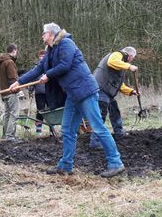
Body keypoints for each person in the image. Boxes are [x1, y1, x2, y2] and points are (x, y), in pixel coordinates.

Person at [9, 23, 126, 178]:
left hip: (85, 91)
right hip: (72, 94)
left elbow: (65, 65)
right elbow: (38, 70)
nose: (42, 36)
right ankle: (66, 165)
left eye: (44, 33)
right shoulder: (50, 51)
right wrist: (19, 82)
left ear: (51, 34)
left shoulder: (66, 43)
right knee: (67, 130)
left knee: (97, 127)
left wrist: (48, 75)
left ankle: (116, 163)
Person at [89, 46, 139, 149]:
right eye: (132, 58)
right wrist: (129, 66)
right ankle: (95, 142)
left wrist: (131, 91)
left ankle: (119, 133)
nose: (131, 61)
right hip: (100, 89)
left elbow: (118, 85)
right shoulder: (118, 55)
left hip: (107, 91)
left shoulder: (120, 64)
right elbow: (111, 61)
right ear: (129, 56)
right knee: (101, 115)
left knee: (114, 111)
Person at [0, 43, 20, 142]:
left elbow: (0, 79)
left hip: (4, 92)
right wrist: (18, 90)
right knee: (14, 114)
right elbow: (13, 79)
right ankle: (10, 136)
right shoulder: (9, 62)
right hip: (11, 92)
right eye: (17, 51)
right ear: (14, 50)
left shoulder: (2, 62)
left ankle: (5, 135)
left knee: (7, 114)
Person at [29, 49, 49, 135]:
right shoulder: (36, 67)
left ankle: (51, 131)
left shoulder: (49, 66)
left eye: (44, 56)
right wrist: (31, 90)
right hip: (39, 92)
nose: (42, 57)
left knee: (51, 111)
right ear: (39, 57)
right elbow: (32, 79)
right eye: (41, 56)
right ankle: (38, 132)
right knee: (40, 111)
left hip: (49, 92)